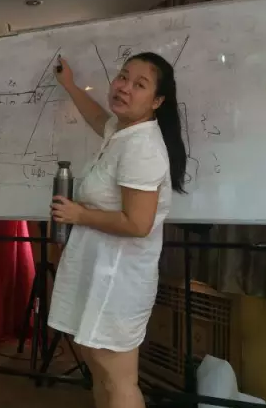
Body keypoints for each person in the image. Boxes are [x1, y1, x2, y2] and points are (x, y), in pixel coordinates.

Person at [48, 52, 187, 408]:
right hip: (100, 272)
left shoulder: (142, 148)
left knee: (118, 378)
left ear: (157, 101)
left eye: (139, 84)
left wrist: (80, 215)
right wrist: (70, 85)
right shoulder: (123, 131)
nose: (124, 87)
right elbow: (98, 117)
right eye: (123, 76)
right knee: (99, 370)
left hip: (118, 280)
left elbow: (138, 224)